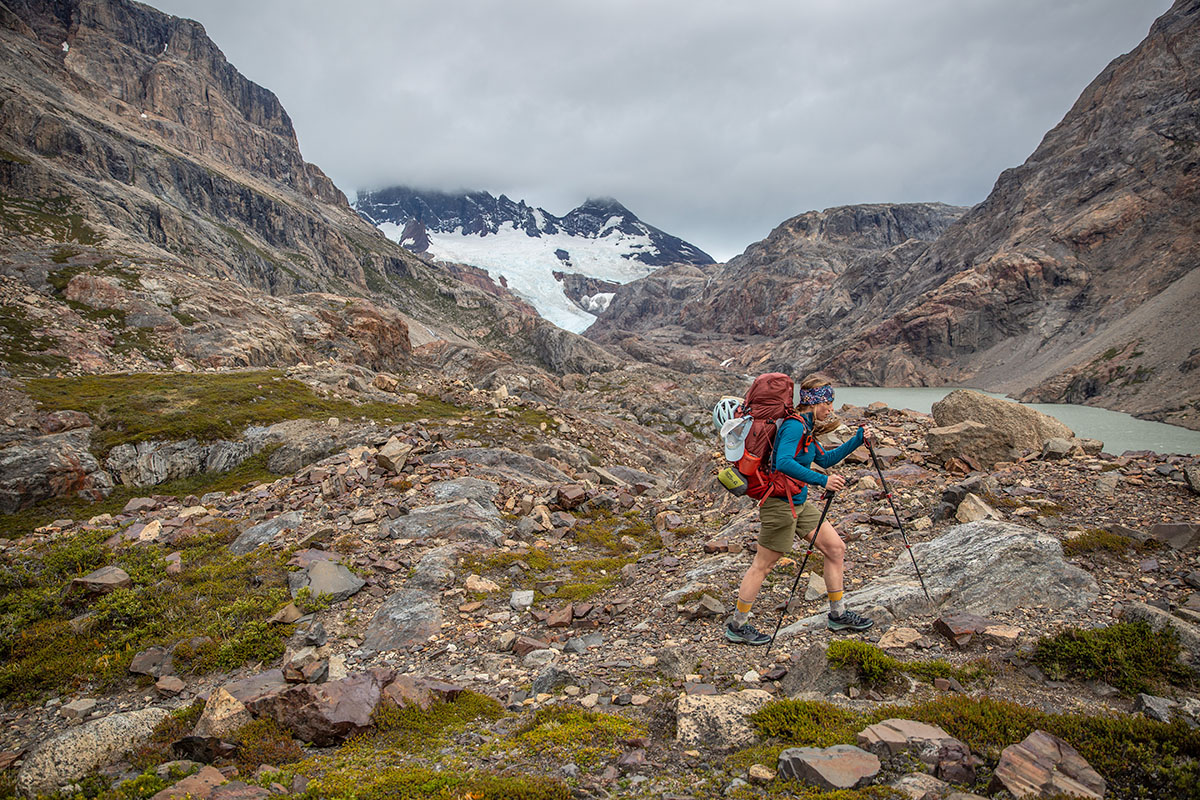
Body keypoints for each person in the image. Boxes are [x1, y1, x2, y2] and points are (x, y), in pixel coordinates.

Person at [725, 375, 874, 645]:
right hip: (779, 504)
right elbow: (782, 462)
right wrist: (822, 481)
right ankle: (738, 624)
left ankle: (838, 614)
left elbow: (825, 459)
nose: (830, 409)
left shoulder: (806, 427)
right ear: (814, 403)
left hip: (799, 502)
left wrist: (858, 439)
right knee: (763, 565)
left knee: (835, 549)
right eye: (827, 403)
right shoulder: (795, 427)